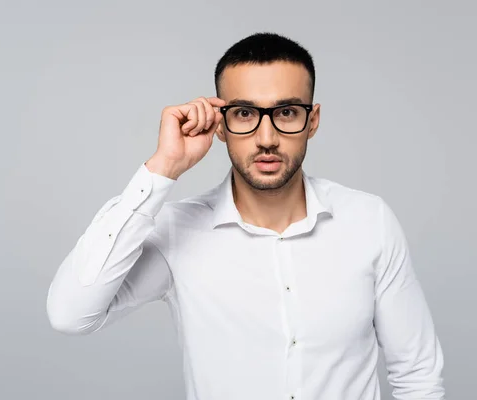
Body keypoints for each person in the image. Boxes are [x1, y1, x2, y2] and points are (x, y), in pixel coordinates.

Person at [46, 32, 445, 400]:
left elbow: (418, 375)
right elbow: (70, 314)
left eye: (286, 112)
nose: (267, 138)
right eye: (244, 114)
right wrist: (162, 168)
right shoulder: (177, 232)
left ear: (313, 121)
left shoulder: (368, 221)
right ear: (221, 125)